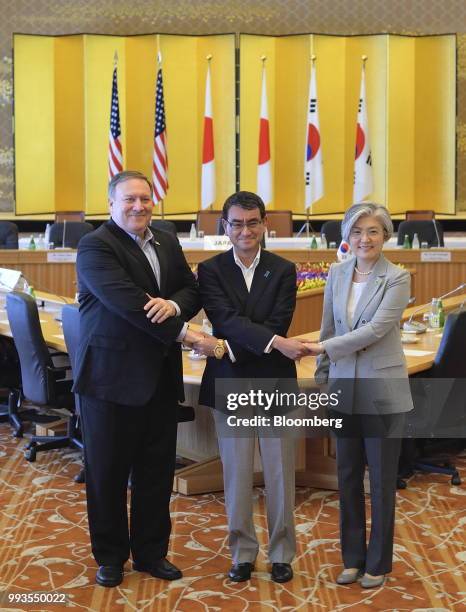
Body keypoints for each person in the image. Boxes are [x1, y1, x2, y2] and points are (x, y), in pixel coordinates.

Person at [73, 170, 206, 588]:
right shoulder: (95, 246)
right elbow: (130, 305)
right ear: (111, 204)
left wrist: (173, 304)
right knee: (107, 475)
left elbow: (191, 290)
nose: (138, 206)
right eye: (129, 199)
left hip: (160, 380)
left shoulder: (165, 239)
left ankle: (151, 553)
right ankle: (110, 557)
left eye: (145, 199)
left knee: (156, 474)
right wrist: (187, 332)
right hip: (110, 382)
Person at [195, 191, 310, 584]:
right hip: (231, 384)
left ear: (265, 225)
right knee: (238, 475)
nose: (246, 230)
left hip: (274, 382)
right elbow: (224, 319)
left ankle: (281, 553)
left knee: (281, 474)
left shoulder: (283, 268)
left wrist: (229, 346)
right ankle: (242, 552)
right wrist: (272, 343)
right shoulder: (209, 270)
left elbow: (276, 321)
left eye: (253, 222)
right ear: (225, 227)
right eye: (237, 223)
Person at [306, 203, 413, 589]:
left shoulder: (397, 278)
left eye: (372, 231)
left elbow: (375, 331)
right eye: (356, 232)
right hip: (342, 390)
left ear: (385, 235)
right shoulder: (336, 273)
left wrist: (323, 351)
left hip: (381, 391)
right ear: (346, 238)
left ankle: (378, 563)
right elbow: (328, 326)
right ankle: (352, 558)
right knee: (347, 477)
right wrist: (323, 376)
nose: (363, 239)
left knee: (381, 481)